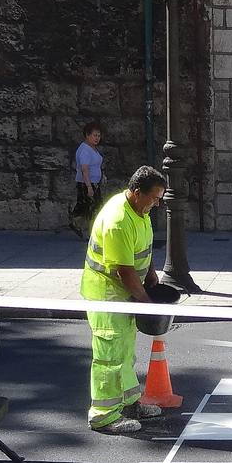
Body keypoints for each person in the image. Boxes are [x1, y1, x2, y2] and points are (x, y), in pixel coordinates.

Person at [80, 165, 167, 435]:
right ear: (136, 192)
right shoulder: (118, 219)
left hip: (123, 294)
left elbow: (142, 249)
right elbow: (124, 270)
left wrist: (151, 274)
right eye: (154, 198)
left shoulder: (138, 211)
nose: (156, 204)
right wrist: (146, 303)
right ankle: (104, 416)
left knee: (125, 352)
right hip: (107, 296)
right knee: (109, 357)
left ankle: (129, 403)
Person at [70, 120, 106, 237]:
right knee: (91, 207)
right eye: (94, 135)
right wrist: (89, 187)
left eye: (99, 135)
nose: (97, 138)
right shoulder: (85, 150)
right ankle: (89, 231)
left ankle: (80, 225)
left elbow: (96, 165)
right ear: (87, 135)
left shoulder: (92, 148)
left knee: (92, 206)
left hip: (94, 182)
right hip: (86, 183)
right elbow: (84, 170)